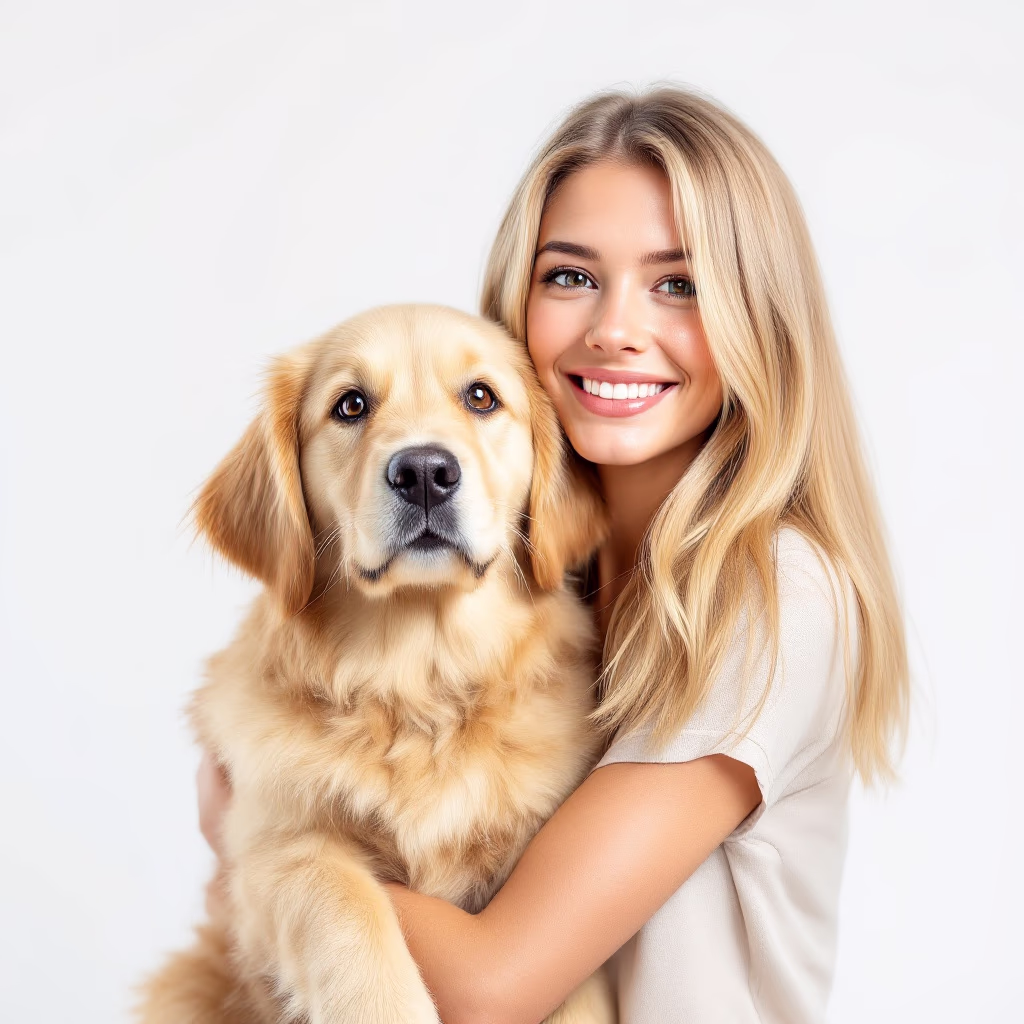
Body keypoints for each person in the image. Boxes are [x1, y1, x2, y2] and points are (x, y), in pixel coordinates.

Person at [196, 86, 909, 1024]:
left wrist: (264, 848)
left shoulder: (773, 598)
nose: (615, 328)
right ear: (519, 305)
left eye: (679, 283)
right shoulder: (539, 576)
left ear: (758, 320)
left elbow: (496, 983)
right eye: (571, 276)